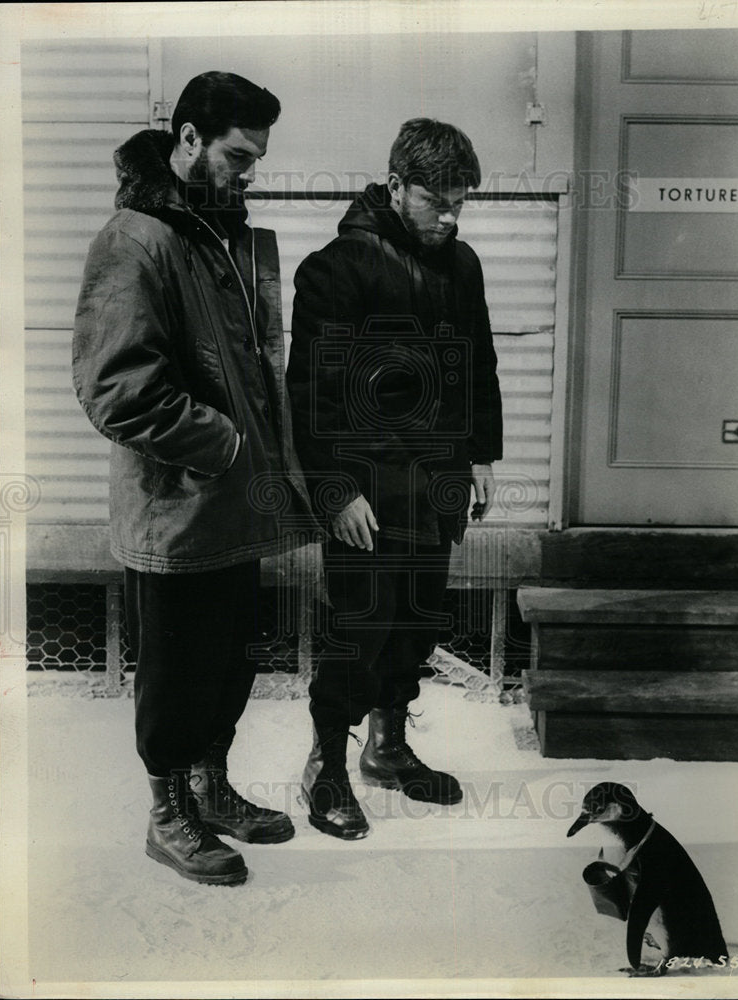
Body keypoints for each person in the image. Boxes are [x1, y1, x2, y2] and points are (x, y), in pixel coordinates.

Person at [73, 72, 320, 885]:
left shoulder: (220, 232)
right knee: (177, 672)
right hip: (176, 508)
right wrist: (221, 443)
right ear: (187, 140)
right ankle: (166, 811)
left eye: (256, 157)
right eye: (238, 155)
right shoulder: (137, 238)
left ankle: (211, 788)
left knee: (231, 658)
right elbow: (117, 390)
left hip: (235, 506)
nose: (249, 171)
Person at [287, 118, 503, 840]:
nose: (449, 216)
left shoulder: (462, 265)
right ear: (394, 185)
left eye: (460, 203)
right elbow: (311, 391)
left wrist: (481, 454)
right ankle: (327, 766)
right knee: (362, 627)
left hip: (436, 482)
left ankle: (388, 747)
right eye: (436, 200)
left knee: (416, 622)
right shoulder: (337, 267)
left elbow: (478, 363)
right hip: (367, 491)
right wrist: (334, 489)